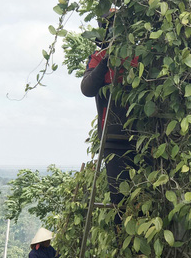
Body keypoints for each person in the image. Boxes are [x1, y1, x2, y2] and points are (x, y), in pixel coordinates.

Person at [80, 12, 140, 228]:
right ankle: (122, 242)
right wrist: (106, 61)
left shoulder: (138, 55)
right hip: (113, 137)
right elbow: (87, 88)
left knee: (145, 196)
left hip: (142, 137)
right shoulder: (98, 58)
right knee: (119, 199)